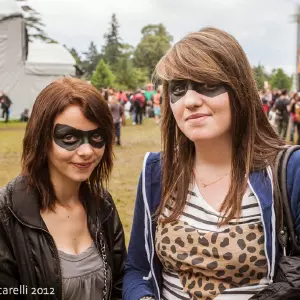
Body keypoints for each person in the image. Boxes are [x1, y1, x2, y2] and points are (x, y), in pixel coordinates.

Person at [123, 27, 300, 300]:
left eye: (207, 84)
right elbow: (137, 268)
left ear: (239, 89)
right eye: (178, 90)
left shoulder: (289, 170)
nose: (190, 101)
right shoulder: (156, 172)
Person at [0, 77, 126, 299]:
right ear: (41, 139)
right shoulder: (6, 213)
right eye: (69, 137)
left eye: (96, 136)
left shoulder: (102, 204)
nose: (87, 151)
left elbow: (119, 283)